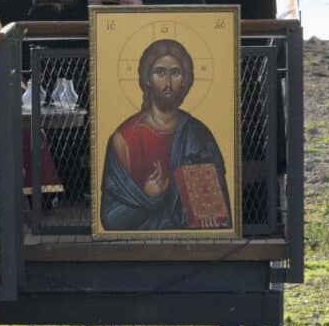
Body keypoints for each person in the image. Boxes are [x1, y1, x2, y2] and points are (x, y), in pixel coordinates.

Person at [99, 38, 231, 231]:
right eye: (160, 72)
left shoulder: (198, 136)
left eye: (175, 73)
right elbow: (111, 218)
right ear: (147, 79)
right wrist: (148, 197)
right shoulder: (124, 139)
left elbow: (215, 215)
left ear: (185, 80)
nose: (168, 82)